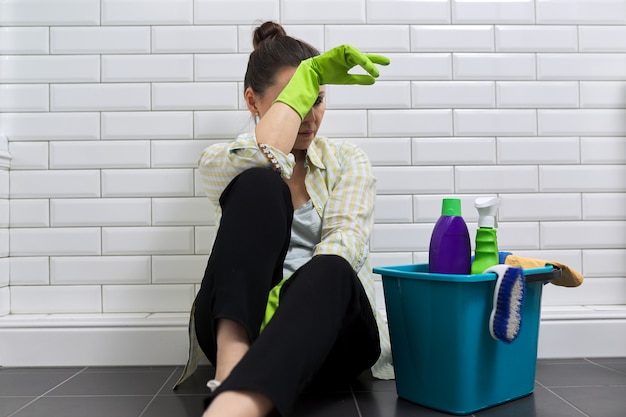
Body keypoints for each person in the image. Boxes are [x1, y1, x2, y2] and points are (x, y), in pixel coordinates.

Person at [174, 21, 393, 417]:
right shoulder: (221, 160)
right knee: (259, 182)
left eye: (318, 98)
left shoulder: (348, 160)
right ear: (253, 101)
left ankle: (235, 404)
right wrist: (303, 83)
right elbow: (265, 157)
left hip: (331, 334)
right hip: (245, 325)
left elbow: (346, 245)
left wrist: (287, 304)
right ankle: (233, 366)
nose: (308, 116)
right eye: (294, 100)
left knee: (333, 267)